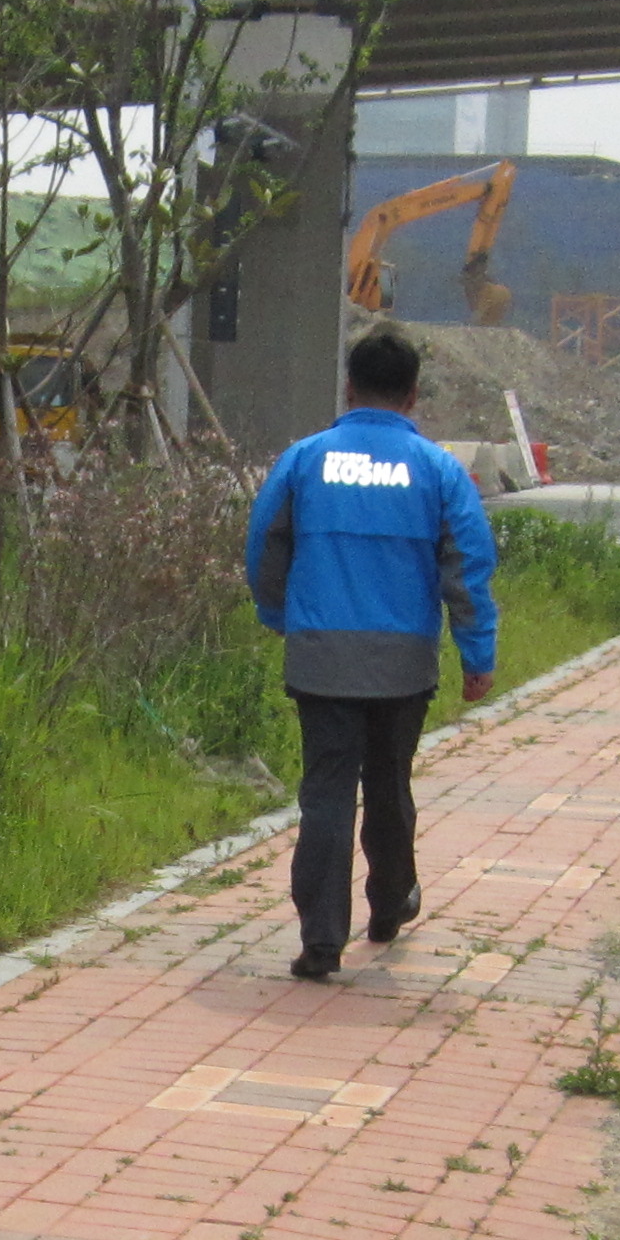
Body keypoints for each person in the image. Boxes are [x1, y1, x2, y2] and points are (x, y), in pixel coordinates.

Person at [241, 327, 502, 979]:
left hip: (322, 656)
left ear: (349, 387)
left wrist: (279, 616)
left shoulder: (304, 461)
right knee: (389, 785)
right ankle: (389, 904)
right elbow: (465, 565)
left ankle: (320, 941)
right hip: (402, 663)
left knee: (326, 792)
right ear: (413, 395)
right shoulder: (438, 470)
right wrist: (477, 653)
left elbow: (264, 548)